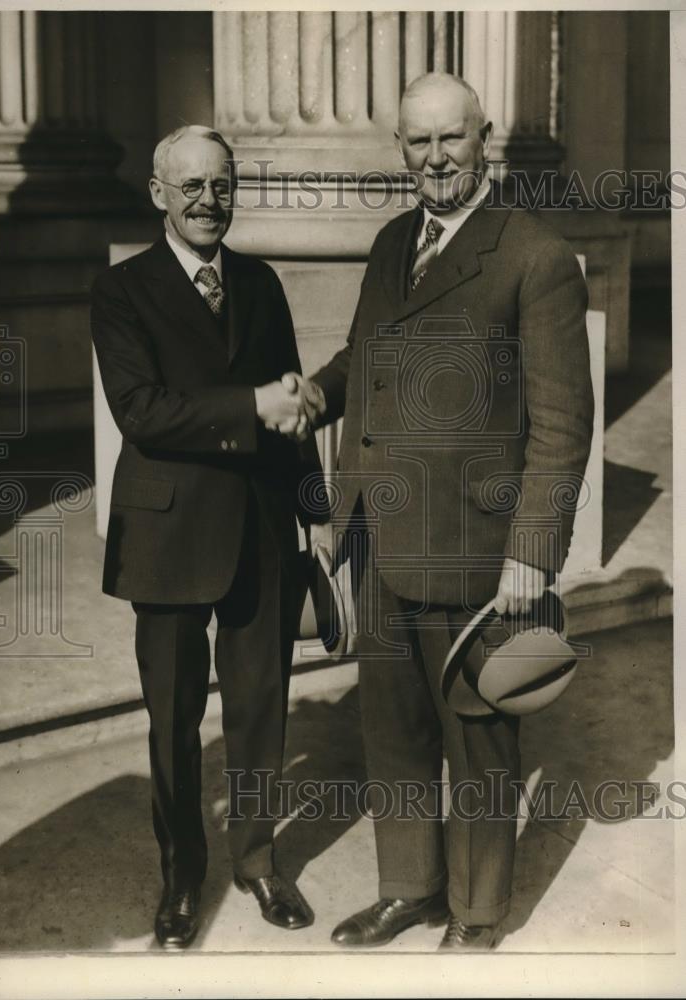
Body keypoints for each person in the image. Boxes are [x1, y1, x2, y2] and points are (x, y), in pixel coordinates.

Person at [283, 72, 595, 950]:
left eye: (449, 139)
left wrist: (531, 552)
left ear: (483, 137)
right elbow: (364, 351)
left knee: (479, 737)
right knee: (392, 730)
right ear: (399, 150)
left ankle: (476, 914)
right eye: (416, 142)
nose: (434, 158)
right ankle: (408, 888)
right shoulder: (391, 243)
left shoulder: (533, 257)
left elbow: (563, 425)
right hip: (377, 537)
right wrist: (318, 393)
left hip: (477, 548)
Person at [91, 125, 320, 949]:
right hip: (168, 535)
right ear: (158, 194)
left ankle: (256, 861)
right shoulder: (120, 291)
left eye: (220, 185)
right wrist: (249, 406)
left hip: (261, 527)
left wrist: (316, 515)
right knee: (173, 719)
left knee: (259, 708)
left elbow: (292, 408)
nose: (207, 201)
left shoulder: (259, 283)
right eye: (189, 186)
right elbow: (141, 411)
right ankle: (182, 874)